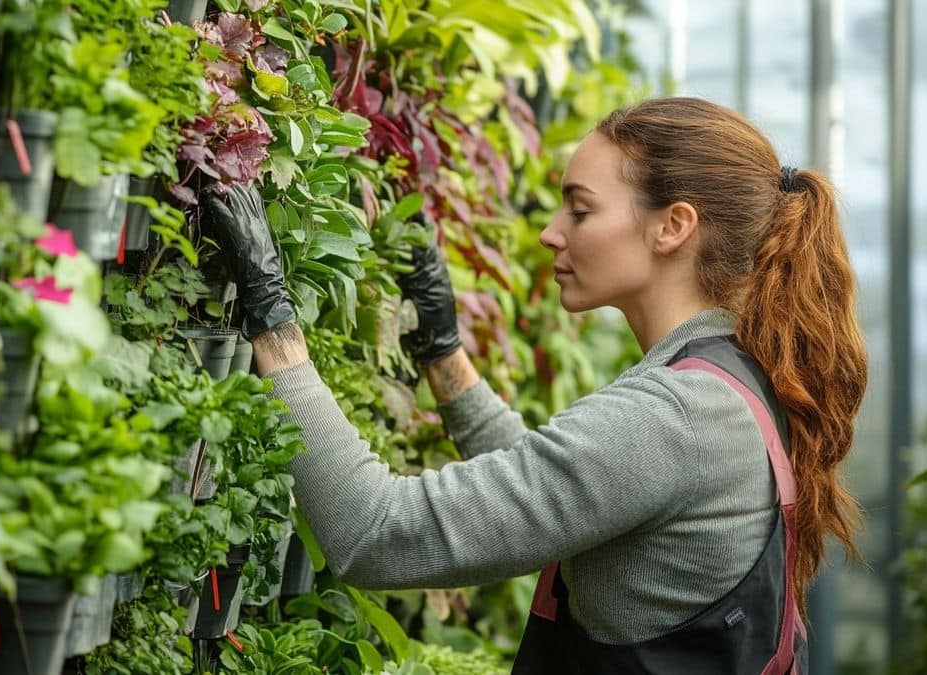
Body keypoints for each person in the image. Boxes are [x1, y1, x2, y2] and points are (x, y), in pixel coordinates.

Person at [202, 96, 868, 674]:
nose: (551, 232)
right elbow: (558, 485)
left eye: (579, 210)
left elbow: (375, 531)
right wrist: (443, 351)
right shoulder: (726, 384)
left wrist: (272, 319)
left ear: (674, 226)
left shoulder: (679, 417)